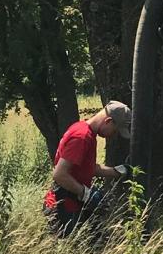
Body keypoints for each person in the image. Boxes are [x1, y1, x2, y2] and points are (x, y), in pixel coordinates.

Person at [43, 100, 133, 237]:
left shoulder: (87, 132)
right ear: (108, 121)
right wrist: (86, 194)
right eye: (115, 131)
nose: (113, 135)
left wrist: (118, 171)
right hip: (63, 207)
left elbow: (87, 168)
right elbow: (59, 174)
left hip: (72, 205)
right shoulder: (82, 136)